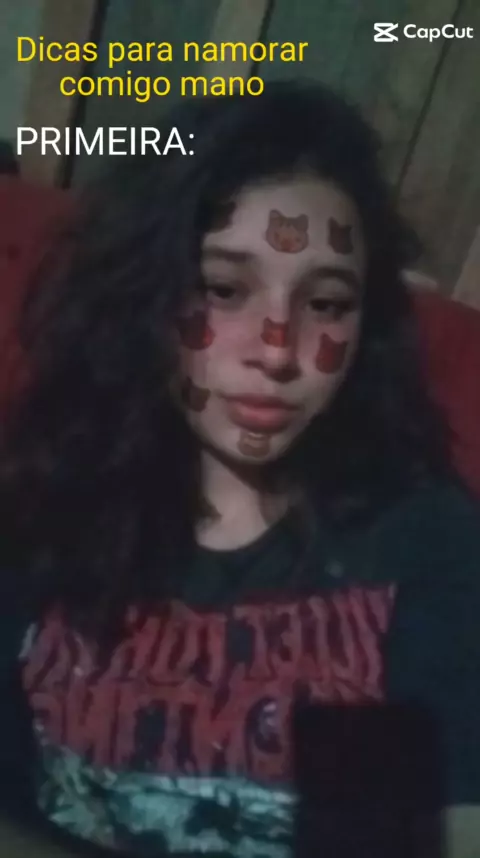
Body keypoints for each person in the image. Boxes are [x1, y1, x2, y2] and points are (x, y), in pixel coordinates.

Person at [0, 79, 479, 858]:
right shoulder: (43, 501)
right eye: (225, 289)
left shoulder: (426, 539)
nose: (278, 350)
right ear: (147, 296)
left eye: (325, 303)